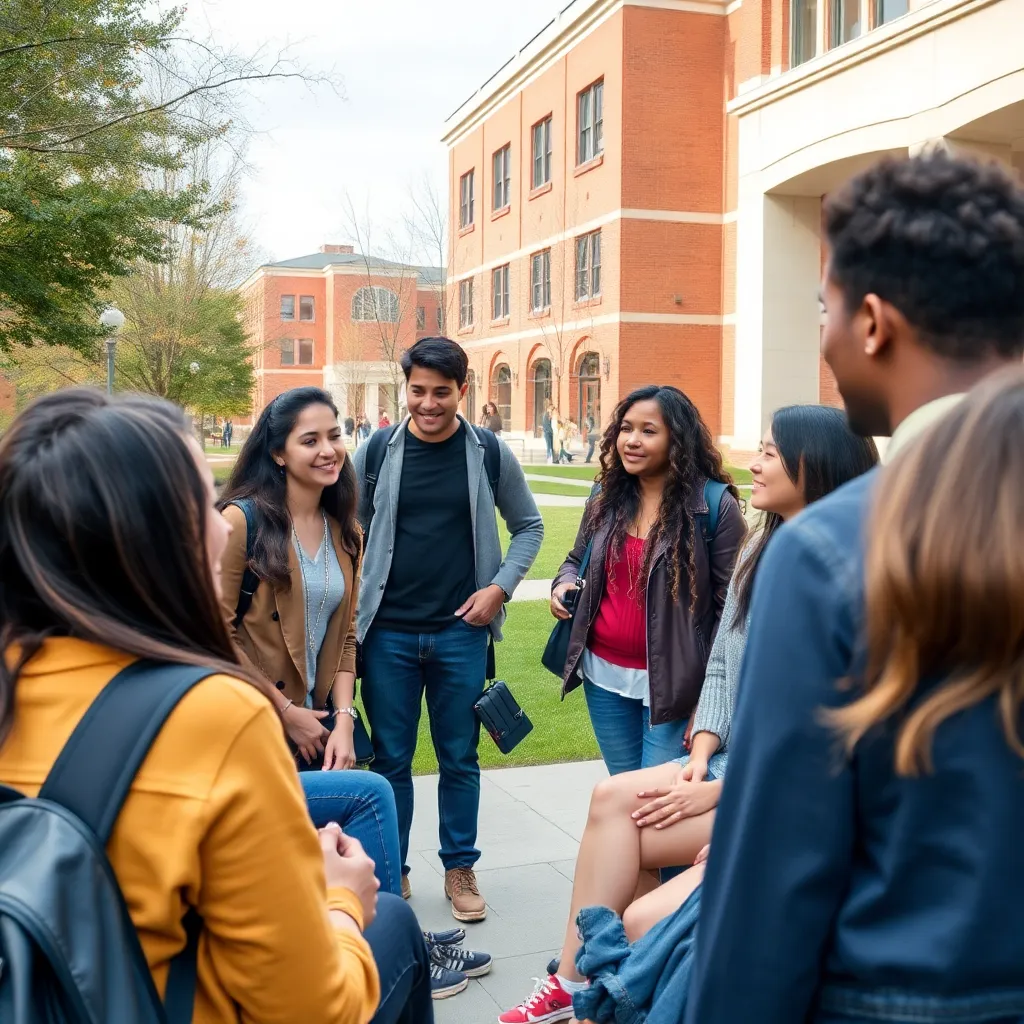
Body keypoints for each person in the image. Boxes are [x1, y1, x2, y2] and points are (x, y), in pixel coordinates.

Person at [687, 151, 1024, 1024]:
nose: (825, 337)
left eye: (822, 307)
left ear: (872, 321)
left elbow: (772, 887)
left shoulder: (830, 551)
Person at [0, 388, 433, 1024]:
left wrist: (340, 715)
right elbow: (312, 1008)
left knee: (363, 793)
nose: (221, 517)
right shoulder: (213, 713)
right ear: (159, 538)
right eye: (203, 499)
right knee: (391, 920)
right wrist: (341, 904)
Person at [501, 405, 878, 1023]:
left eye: (769, 454)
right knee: (610, 802)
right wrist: (700, 757)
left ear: (819, 465)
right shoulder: (767, 548)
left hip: (785, 791)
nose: (752, 464)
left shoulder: (850, 576)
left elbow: (824, 735)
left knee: (632, 872)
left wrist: (720, 793)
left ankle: (601, 989)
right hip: (734, 761)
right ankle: (575, 987)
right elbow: (724, 666)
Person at [353, 337, 543, 921]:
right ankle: (393, 870)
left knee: (459, 757)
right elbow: (349, 529)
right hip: (386, 636)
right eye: (418, 391)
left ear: (463, 390)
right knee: (391, 760)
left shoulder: (487, 451)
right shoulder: (378, 449)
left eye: (441, 392)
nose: (429, 404)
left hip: (461, 634)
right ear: (404, 387)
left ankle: (460, 869)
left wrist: (498, 588)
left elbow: (529, 527)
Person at [549, 385, 745, 776]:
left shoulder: (713, 506)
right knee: (624, 794)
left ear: (678, 439)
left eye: (648, 431)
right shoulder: (605, 495)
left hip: (676, 686)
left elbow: (731, 616)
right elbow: (575, 559)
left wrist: (708, 702)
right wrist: (562, 583)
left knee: (653, 804)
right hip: (603, 676)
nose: (632, 441)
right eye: (626, 428)